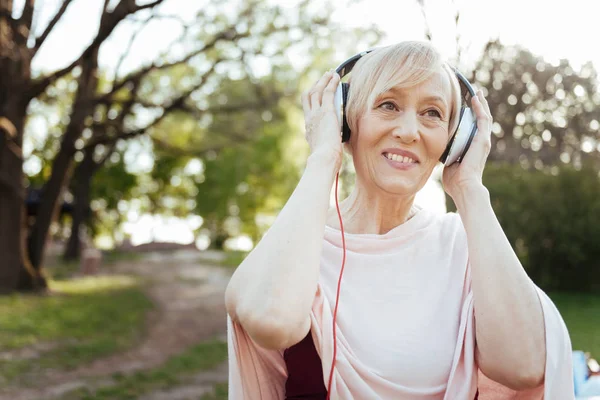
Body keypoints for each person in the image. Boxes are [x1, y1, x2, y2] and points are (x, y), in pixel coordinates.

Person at [224, 41, 574, 399]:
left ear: (455, 141)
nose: (409, 131)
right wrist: (323, 158)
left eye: (433, 113)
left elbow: (525, 366)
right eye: (388, 105)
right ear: (345, 120)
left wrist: (470, 189)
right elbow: (271, 320)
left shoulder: (463, 244)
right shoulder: (298, 242)